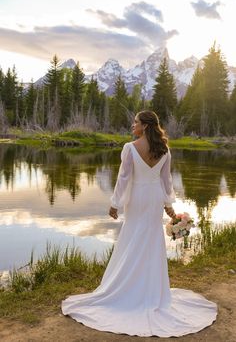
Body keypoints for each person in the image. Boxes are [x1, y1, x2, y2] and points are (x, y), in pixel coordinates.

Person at [61, 110, 217, 337]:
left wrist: (115, 203)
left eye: (135, 122)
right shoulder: (164, 150)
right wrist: (169, 207)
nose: (132, 125)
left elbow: (124, 178)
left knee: (132, 238)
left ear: (144, 126)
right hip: (153, 197)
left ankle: (129, 289)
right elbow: (166, 182)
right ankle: (151, 292)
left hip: (136, 199)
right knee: (151, 240)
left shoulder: (130, 148)